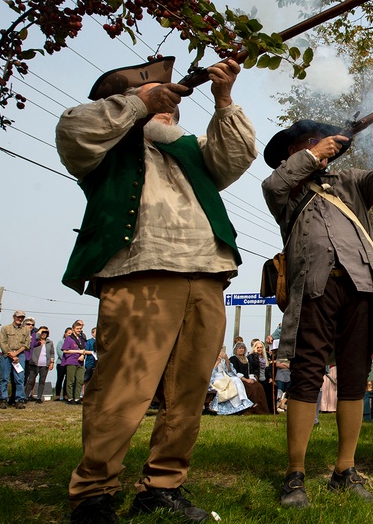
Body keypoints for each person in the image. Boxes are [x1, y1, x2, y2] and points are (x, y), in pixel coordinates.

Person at [57, 55, 256, 524]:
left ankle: (162, 486)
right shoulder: (106, 139)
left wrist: (223, 98)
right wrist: (137, 102)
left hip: (206, 271)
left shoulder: (191, 146)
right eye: (158, 94)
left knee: (188, 394)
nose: (169, 103)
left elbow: (236, 155)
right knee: (123, 389)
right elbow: (73, 131)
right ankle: (93, 493)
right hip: (138, 270)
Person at [261, 100, 373, 508]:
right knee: (307, 375)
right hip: (314, 288)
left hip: (360, 287)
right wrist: (314, 153)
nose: (322, 146)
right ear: (292, 152)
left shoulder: (350, 181)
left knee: (355, 378)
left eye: (323, 140)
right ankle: (295, 474)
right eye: (309, 142)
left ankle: (345, 469)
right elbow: (272, 187)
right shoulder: (285, 186)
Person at [0, 310, 30, 409]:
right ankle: (3, 399)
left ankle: (19, 399)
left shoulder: (26, 330)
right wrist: (11, 354)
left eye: (22, 317)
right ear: (14, 317)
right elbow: (2, 342)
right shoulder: (5, 328)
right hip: (7, 355)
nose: (20, 319)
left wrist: (16, 354)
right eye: (18, 317)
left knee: (19, 378)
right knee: (4, 378)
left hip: (19, 355)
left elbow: (26, 344)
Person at [208, 347, 255, 415]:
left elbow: (230, 371)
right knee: (230, 385)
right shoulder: (209, 358)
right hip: (215, 378)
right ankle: (236, 406)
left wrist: (226, 360)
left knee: (236, 379)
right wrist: (217, 362)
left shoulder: (223, 359)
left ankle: (244, 400)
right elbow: (210, 374)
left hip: (225, 376)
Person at [26, 326, 55, 402]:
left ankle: (39, 397)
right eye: (42, 332)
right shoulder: (35, 341)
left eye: (46, 333)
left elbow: (52, 353)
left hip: (45, 364)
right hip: (34, 363)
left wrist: (52, 362)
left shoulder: (50, 342)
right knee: (31, 380)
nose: (44, 334)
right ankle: (25, 396)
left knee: (42, 381)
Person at [61, 327, 86, 404]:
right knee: (70, 380)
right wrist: (78, 351)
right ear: (73, 329)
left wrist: (82, 355)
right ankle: (70, 398)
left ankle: (77, 398)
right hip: (71, 361)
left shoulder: (82, 339)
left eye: (80, 329)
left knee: (80, 380)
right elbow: (65, 350)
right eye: (77, 328)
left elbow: (84, 349)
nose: (79, 330)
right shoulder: (69, 338)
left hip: (80, 362)